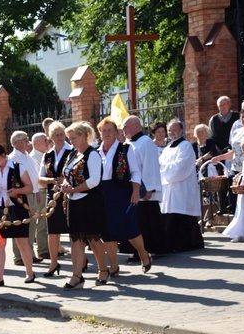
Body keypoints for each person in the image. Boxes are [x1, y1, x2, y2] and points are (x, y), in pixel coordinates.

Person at [97, 118, 152, 276]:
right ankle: (114, 266)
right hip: (103, 195)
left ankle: (143, 254)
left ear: (116, 133)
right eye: (104, 131)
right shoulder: (95, 151)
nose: (107, 133)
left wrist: (135, 191)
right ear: (100, 134)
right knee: (108, 233)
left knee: (130, 228)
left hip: (122, 193)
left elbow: (135, 172)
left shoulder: (126, 149)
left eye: (110, 130)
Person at [60, 121, 108, 289]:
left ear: (83, 136)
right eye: (69, 138)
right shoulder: (73, 154)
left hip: (90, 201)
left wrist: (74, 188)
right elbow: (67, 173)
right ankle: (77, 276)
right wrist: (67, 184)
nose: (71, 141)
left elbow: (94, 180)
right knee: (76, 239)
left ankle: (103, 269)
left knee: (93, 238)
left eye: (73, 138)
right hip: (74, 202)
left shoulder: (92, 154)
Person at [0, 143, 35, 286]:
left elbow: (29, 187)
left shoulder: (17, 167)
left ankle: (30, 273)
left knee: (22, 242)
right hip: (0, 209)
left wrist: (18, 191)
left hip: (17, 207)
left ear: (4, 155)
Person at [121, 116, 168, 257]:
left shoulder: (146, 142)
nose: (123, 130)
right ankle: (137, 251)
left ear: (135, 126)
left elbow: (150, 166)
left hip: (145, 191)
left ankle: (152, 248)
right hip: (132, 189)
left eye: (126, 127)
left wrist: (149, 189)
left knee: (147, 221)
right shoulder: (128, 143)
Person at [159, 120, 204, 253]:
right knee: (170, 216)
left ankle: (187, 244)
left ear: (181, 131)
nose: (171, 132)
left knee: (182, 216)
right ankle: (172, 244)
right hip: (168, 188)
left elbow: (180, 167)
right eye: (169, 130)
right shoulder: (167, 148)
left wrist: (162, 168)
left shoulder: (186, 146)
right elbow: (159, 164)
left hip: (181, 188)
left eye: (174, 130)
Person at [38, 122, 72, 278]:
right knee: (53, 231)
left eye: (61, 134)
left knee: (73, 230)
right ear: (50, 137)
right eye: (56, 135)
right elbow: (40, 178)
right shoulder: (48, 154)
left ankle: (81, 260)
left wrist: (65, 180)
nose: (59, 138)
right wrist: (52, 181)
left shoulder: (72, 151)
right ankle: (53, 263)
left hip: (69, 194)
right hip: (52, 196)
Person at [8, 131, 45, 267]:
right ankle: (19, 256)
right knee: (21, 225)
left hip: (33, 194)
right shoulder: (13, 158)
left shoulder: (26, 156)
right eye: (25, 139)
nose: (28, 142)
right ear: (17, 143)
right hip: (22, 195)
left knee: (31, 225)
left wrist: (37, 191)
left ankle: (29, 254)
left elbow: (33, 175)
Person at [30, 132, 51, 259]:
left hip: (44, 190)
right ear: (36, 144)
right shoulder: (34, 157)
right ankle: (42, 249)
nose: (47, 143)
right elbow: (39, 177)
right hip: (40, 191)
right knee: (41, 221)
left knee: (45, 221)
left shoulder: (43, 155)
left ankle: (45, 247)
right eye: (45, 141)